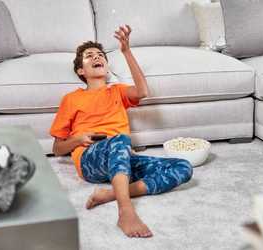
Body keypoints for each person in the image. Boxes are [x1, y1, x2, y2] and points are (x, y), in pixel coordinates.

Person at [50, 25, 193, 238]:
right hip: (91, 159)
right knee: (120, 140)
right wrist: (78, 138)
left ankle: (110, 194)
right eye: (89, 56)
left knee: (183, 167)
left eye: (100, 55)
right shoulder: (71, 99)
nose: (96, 57)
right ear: (81, 70)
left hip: (121, 156)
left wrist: (126, 51)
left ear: (106, 67)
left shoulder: (117, 91)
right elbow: (57, 148)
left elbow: (142, 91)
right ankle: (125, 211)